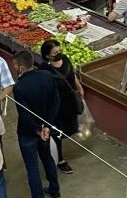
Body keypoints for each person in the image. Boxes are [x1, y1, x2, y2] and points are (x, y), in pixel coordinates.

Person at [13, 50, 61, 198]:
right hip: (46, 128)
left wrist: (36, 130)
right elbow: (55, 102)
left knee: (32, 168)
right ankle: (54, 189)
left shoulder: (20, 87)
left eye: (15, 65)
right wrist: (47, 126)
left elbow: (25, 113)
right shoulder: (47, 76)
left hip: (28, 133)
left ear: (20, 66)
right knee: (47, 158)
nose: (14, 68)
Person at [40, 40, 84, 174]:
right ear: (48, 56)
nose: (59, 54)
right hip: (56, 105)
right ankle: (59, 159)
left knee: (70, 128)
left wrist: (79, 87)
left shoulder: (65, 59)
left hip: (70, 101)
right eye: (55, 53)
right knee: (57, 132)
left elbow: (72, 75)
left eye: (59, 51)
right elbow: (44, 90)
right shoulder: (44, 69)